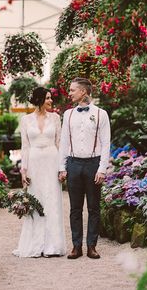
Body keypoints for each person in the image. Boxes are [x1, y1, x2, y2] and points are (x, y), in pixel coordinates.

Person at [58, 77, 110, 259]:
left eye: (72, 90)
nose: (69, 93)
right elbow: (63, 142)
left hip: (93, 164)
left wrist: (102, 168)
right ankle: (76, 246)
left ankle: (92, 246)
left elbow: (105, 144)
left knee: (94, 208)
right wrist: (62, 167)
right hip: (73, 164)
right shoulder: (68, 114)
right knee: (75, 208)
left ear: (83, 92)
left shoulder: (101, 114)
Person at [12, 87, 66, 258]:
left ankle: (53, 246)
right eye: (48, 98)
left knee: (52, 200)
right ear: (39, 99)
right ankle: (35, 244)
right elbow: (25, 146)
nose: (51, 101)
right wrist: (23, 170)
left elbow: (59, 143)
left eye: (51, 98)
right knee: (36, 201)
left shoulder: (56, 118)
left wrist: (62, 168)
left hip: (52, 160)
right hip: (34, 162)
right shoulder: (26, 120)